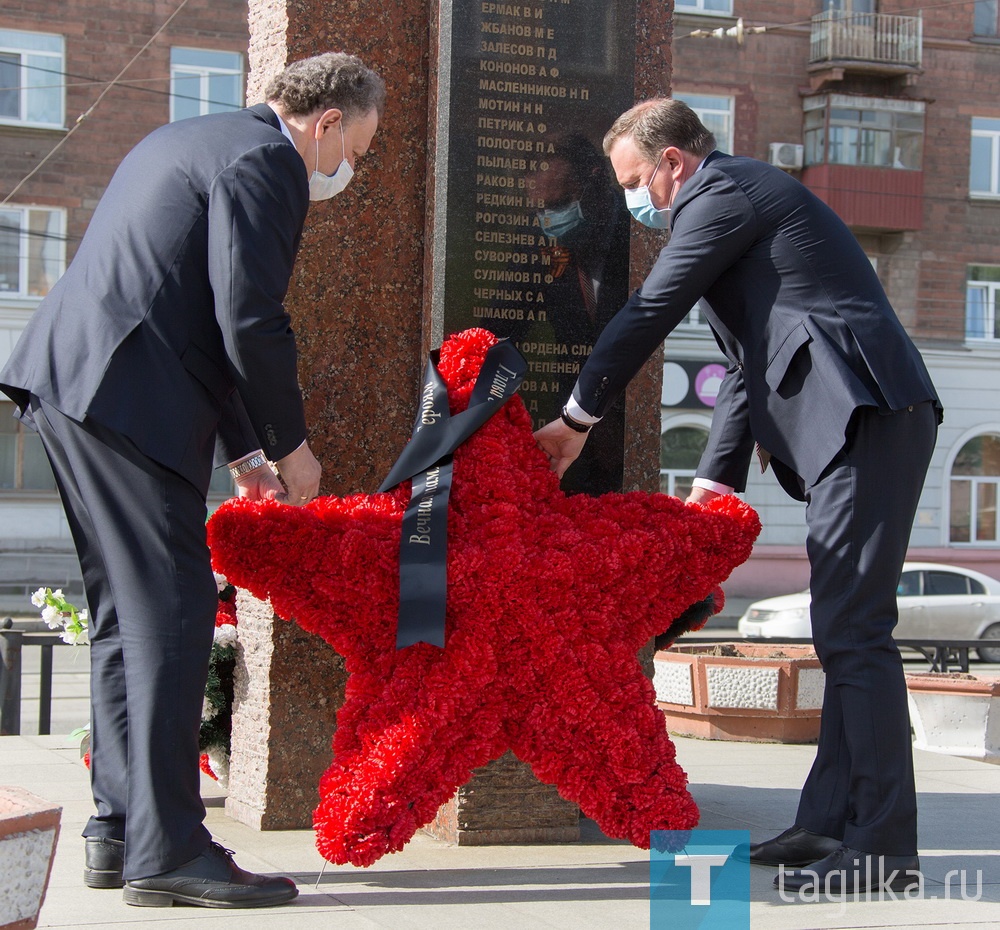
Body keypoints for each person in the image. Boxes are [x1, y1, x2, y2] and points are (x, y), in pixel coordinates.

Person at [0, 51, 385, 908]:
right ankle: (169, 848)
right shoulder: (268, 163)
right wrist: (291, 446)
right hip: (128, 399)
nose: (347, 167)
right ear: (326, 121)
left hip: (80, 387)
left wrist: (245, 454)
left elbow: (204, 308)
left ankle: (118, 828)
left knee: (125, 620)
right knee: (173, 618)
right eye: (355, 146)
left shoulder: (194, 138)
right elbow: (249, 318)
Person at [534, 98, 941, 896]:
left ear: (673, 163)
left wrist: (578, 416)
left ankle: (886, 845)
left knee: (856, 631)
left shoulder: (725, 192)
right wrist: (711, 483)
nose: (631, 204)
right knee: (842, 629)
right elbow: (749, 366)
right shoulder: (736, 205)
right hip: (852, 417)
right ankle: (829, 821)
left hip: (867, 407)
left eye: (631, 183)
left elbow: (652, 309)